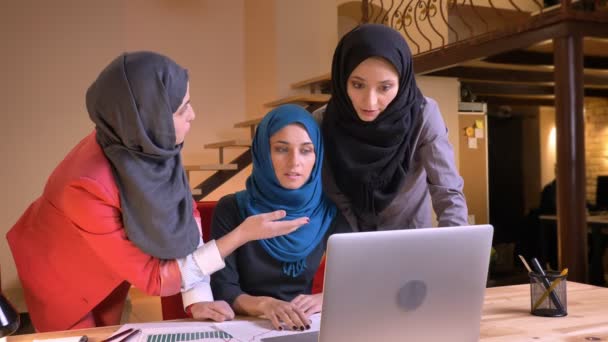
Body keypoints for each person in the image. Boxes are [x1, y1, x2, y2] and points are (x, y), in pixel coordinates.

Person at [6, 52, 307, 332]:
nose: (193, 115)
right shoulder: (85, 186)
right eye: (182, 109)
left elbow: (183, 220)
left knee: (113, 331)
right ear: (151, 117)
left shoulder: (147, 139)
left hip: (110, 266)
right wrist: (239, 236)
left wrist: (197, 298)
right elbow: (154, 278)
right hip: (58, 273)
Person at [208, 104, 350, 331]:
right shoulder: (232, 208)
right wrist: (265, 304)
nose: (295, 162)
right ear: (264, 153)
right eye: (282, 149)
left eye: (306, 150)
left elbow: (356, 280)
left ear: (318, 155)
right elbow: (224, 288)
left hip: (302, 326)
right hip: (242, 326)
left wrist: (324, 298)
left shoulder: (327, 212)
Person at [316, 24, 468, 231]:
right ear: (343, 80)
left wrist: (456, 247)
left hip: (412, 241)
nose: (370, 102)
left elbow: (447, 191)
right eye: (358, 85)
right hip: (348, 238)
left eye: (385, 87)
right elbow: (334, 196)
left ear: (402, 82)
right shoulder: (323, 121)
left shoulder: (424, 115)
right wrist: (354, 244)